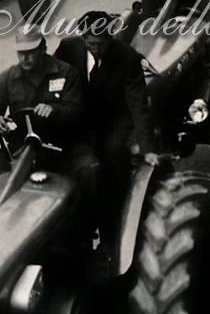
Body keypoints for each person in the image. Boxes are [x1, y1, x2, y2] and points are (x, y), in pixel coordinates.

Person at [0, 28, 94, 195]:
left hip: (62, 144)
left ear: (43, 48)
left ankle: (89, 211)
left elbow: (77, 110)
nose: (25, 57)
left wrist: (55, 110)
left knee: (89, 169)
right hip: (22, 146)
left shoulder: (66, 73)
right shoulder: (8, 78)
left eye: (30, 52)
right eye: (21, 52)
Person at [55, 10, 157, 198]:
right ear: (83, 38)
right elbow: (53, 77)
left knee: (115, 152)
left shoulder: (128, 57)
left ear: (110, 38)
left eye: (101, 44)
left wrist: (147, 148)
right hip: (80, 116)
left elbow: (138, 103)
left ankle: (117, 199)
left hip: (114, 120)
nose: (96, 49)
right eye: (91, 44)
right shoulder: (68, 48)